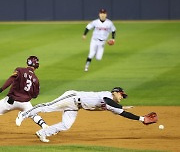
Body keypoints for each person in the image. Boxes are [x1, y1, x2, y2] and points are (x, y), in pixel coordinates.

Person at [16, 87, 157, 143]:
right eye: (121, 94)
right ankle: (24, 114)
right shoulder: (107, 95)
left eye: (123, 96)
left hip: (76, 106)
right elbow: (109, 102)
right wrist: (120, 106)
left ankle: (43, 132)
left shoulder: (112, 106)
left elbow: (124, 114)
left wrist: (142, 118)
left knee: (66, 125)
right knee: (48, 107)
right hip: (71, 97)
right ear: (115, 92)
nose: (122, 97)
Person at [0, 56, 48, 129]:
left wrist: (1, 89)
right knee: (33, 113)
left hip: (10, 101)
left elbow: (11, 80)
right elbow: (35, 95)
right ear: (37, 65)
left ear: (27, 62)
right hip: (25, 103)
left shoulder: (19, 70)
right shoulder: (36, 80)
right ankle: (44, 125)